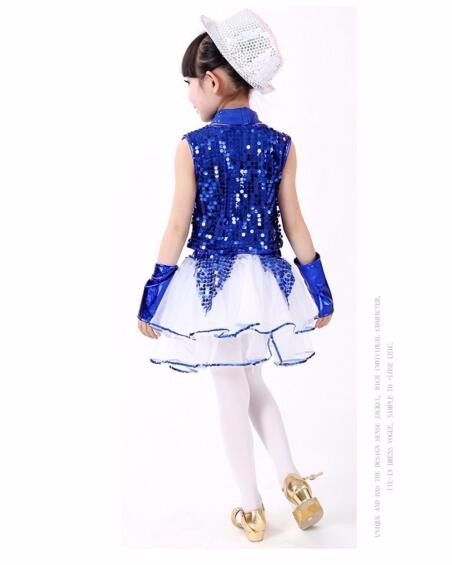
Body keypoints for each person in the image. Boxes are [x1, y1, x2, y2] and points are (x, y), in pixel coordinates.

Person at [137, 9, 334, 542]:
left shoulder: (192, 146)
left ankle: (252, 507)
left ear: (212, 82)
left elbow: (177, 226)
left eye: (188, 83)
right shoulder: (281, 144)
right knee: (252, 381)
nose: (187, 96)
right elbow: (295, 222)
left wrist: (153, 297)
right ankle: (296, 484)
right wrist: (319, 291)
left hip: (214, 286)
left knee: (229, 389)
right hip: (266, 283)